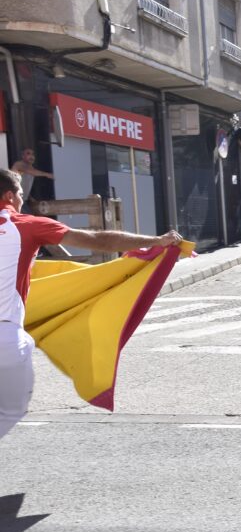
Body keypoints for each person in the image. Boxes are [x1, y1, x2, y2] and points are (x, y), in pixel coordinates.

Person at [0, 168, 182, 442]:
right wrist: (156, 241)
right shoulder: (27, 225)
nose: (23, 200)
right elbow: (97, 240)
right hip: (6, 338)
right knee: (12, 410)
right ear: (9, 196)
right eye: (21, 194)